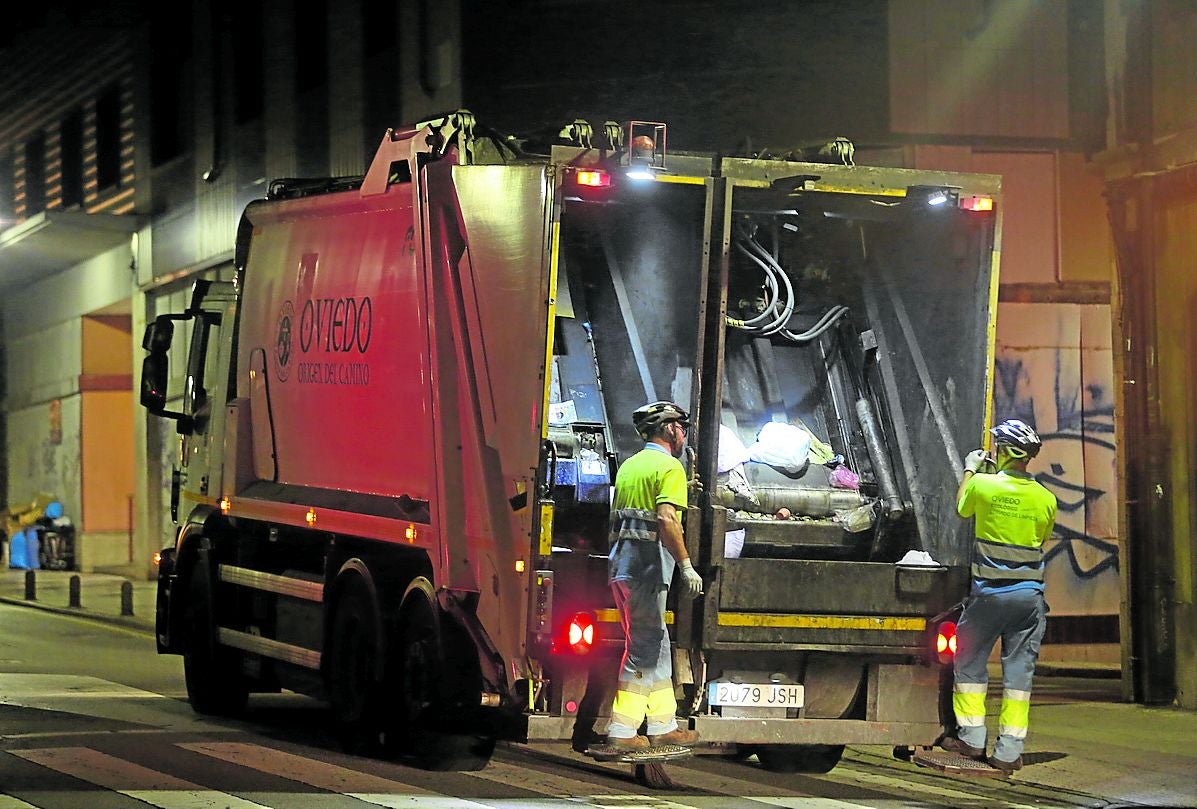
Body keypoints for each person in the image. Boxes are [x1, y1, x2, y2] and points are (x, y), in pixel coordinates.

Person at [940, 418, 1057, 773]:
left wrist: (970, 470)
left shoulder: (984, 487)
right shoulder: (1046, 498)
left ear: (1003, 451)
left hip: (990, 598)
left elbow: (963, 507)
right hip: (1029, 601)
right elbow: (1040, 537)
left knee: (970, 661)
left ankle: (972, 739)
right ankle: (1009, 752)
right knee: (1019, 676)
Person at [604, 400, 704, 751]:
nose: (683, 433)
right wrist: (687, 563)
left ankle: (663, 724)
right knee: (644, 649)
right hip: (648, 570)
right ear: (669, 430)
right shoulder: (669, 467)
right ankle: (621, 731)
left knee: (656, 643)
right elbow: (666, 519)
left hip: (622, 567)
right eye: (680, 426)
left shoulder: (630, 466)